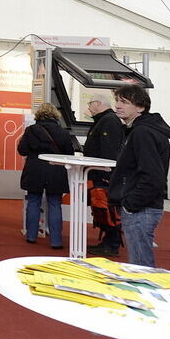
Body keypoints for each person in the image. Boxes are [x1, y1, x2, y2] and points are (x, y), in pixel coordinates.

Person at [107, 85, 170, 267]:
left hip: (141, 209)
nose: (118, 106)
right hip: (142, 207)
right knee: (139, 265)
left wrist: (130, 204)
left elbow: (153, 177)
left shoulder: (143, 132)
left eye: (124, 102)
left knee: (140, 268)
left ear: (140, 107)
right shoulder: (141, 130)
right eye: (118, 101)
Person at [17, 103, 74, 249]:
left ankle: (31, 236)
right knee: (55, 204)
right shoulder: (63, 132)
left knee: (33, 201)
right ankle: (56, 241)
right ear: (55, 115)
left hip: (35, 168)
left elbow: (22, 150)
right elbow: (69, 154)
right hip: (56, 169)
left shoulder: (31, 130)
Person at [84, 94, 126, 257]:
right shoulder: (105, 121)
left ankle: (112, 244)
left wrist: (106, 171)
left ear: (99, 104)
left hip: (103, 175)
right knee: (101, 210)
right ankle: (108, 242)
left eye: (90, 103)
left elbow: (110, 150)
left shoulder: (108, 121)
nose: (88, 107)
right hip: (99, 173)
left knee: (107, 210)